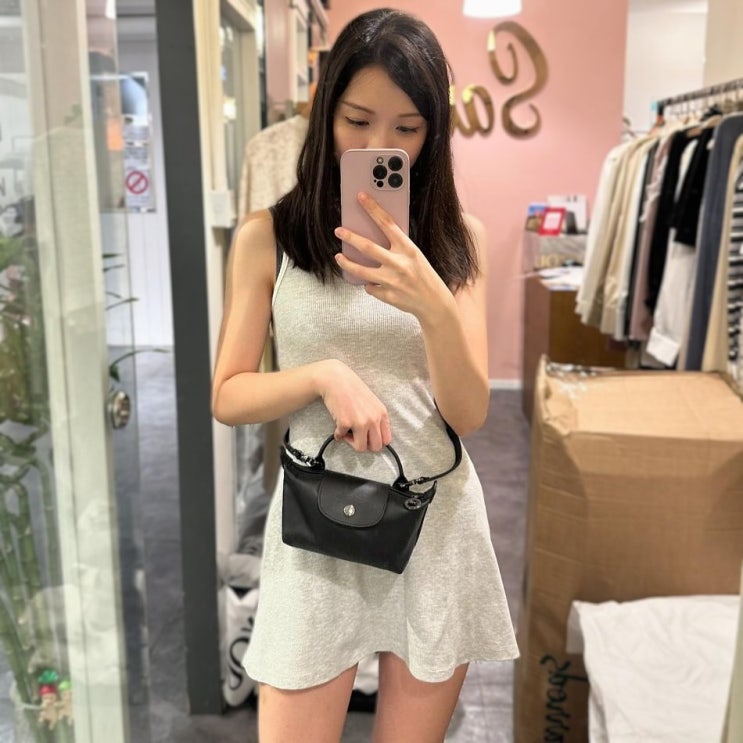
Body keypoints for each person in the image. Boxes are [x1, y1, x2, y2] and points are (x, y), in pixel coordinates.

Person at [211, 8, 518, 742]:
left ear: (434, 133)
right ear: (324, 113)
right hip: (314, 524)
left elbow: (469, 412)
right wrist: (320, 376)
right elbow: (228, 394)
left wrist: (432, 304)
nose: (380, 145)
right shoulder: (268, 237)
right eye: (357, 120)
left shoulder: (459, 241)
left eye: (407, 128)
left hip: (433, 520)